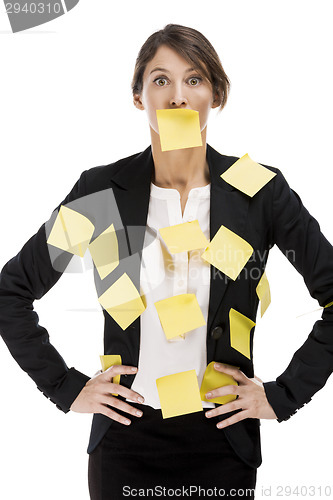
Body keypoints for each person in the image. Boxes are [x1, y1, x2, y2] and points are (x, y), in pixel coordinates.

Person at [1, 23, 333, 500]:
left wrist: (283, 397)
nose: (177, 96)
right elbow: (10, 291)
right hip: (125, 441)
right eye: (161, 80)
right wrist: (64, 386)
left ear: (215, 95)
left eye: (194, 79)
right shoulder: (100, 193)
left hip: (224, 440)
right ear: (139, 97)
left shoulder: (261, 191)